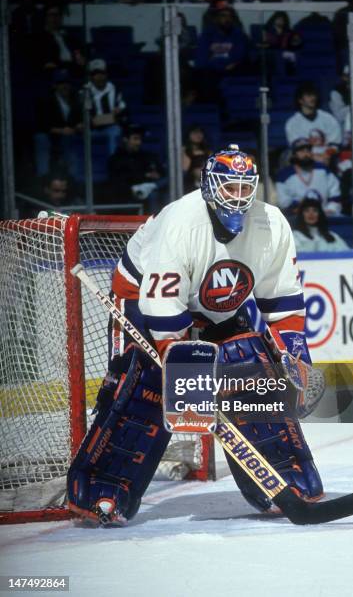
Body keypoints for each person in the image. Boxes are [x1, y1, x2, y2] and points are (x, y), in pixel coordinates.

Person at [67, 144, 324, 525]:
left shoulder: (272, 224)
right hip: (143, 299)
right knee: (146, 385)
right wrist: (186, 373)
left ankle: (283, 478)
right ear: (209, 186)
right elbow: (164, 310)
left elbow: (283, 303)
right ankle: (105, 486)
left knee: (252, 371)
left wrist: (295, 356)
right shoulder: (181, 222)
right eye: (229, 187)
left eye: (244, 188)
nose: (238, 197)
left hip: (218, 306)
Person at [34, 69, 83, 176]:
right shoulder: (47, 101)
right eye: (60, 83)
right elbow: (42, 125)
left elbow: (82, 120)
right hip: (52, 136)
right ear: (55, 85)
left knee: (75, 142)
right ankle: (43, 176)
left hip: (72, 135)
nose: (64, 86)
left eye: (66, 83)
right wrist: (61, 131)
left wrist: (80, 125)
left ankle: (74, 179)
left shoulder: (77, 100)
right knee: (40, 138)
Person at [107, 124, 166, 212]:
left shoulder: (146, 156)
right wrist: (146, 175)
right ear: (125, 139)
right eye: (135, 139)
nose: (139, 142)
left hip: (150, 190)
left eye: (140, 139)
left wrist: (155, 175)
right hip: (128, 193)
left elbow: (161, 171)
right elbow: (120, 180)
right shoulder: (116, 159)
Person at [276, 137, 342, 215]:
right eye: (301, 151)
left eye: (308, 150)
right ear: (294, 154)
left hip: (325, 216)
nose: (306, 154)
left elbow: (335, 194)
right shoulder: (284, 175)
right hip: (296, 218)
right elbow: (284, 202)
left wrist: (330, 210)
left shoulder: (323, 170)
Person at [85, 58, 129, 155]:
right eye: (96, 74)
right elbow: (88, 119)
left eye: (102, 73)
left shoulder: (116, 89)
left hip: (111, 128)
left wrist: (116, 114)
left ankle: (114, 164)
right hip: (92, 130)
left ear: (106, 74)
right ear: (91, 77)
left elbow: (123, 111)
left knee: (115, 132)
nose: (99, 77)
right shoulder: (85, 92)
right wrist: (107, 118)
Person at [285, 82, 342, 151]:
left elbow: (335, 144)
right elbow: (298, 148)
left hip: (327, 158)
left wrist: (326, 155)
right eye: (309, 95)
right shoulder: (292, 123)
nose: (313, 98)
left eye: (314, 95)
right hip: (305, 160)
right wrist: (314, 157)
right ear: (300, 100)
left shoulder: (329, 119)